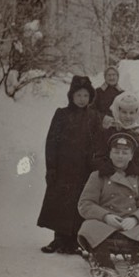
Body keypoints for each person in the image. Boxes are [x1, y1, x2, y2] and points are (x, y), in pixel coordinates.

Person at [77, 132, 139, 277]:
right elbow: (85, 204)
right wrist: (105, 216)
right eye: (116, 152)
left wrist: (135, 219)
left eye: (125, 152)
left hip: (130, 226)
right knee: (89, 228)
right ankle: (105, 267)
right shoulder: (97, 176)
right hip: (104, 225)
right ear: (110, 153)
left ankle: (138, 267)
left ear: (131, 155)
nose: (120, 156)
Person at [37, 75, 100, 254]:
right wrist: (51, 168)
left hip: (84, 170)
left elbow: (98, 143)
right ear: (71, 96)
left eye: (86, 96)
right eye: (78, 95)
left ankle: (75, 241)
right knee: (60, 203)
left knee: (80, 203)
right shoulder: (62, 114)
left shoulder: (94, 117)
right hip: (63, 169)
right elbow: (51, 143)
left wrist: (95, 166)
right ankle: (58, 240)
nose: (82, 99)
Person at [95, 91, 139, 177]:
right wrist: (111, 171)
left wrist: (134, 171)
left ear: (137, 113)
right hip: (109, 180)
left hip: (134, 181)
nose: (128, 116)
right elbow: (98, 158)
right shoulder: (108, 133)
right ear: (118, 112)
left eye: (131, 113)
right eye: (124, 112)